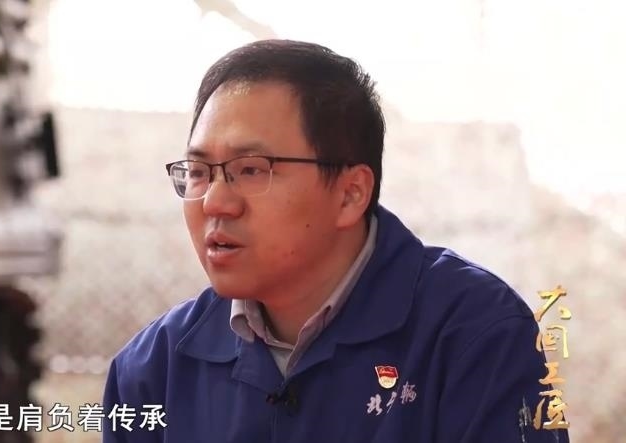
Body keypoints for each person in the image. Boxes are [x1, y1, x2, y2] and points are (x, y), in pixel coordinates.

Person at [102, 39, 570, 443]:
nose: (214, 202)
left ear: (350, 194)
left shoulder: (476, 337)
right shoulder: (152, 371)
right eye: (199, 172)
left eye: (251, 170)